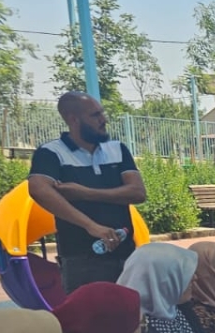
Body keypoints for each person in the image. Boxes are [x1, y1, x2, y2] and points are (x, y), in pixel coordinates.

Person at [27, 91, 146, 292]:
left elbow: (138, 193)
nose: (104, 120)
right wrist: (91, 226)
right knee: (88, 312)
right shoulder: (51, 153)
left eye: (102, 113)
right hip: (80, 259)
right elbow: (38, 190)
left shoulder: (117, 149)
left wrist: (85, 193)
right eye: (95, 115)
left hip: (126, 254)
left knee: (133, 310)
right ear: (73, 119)